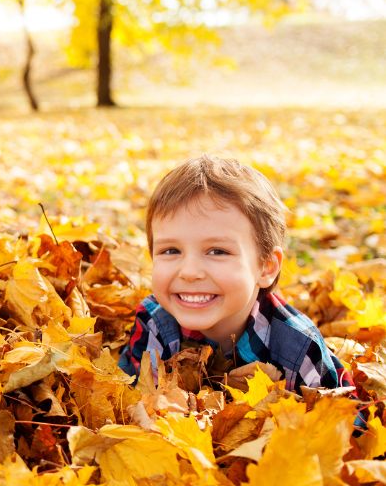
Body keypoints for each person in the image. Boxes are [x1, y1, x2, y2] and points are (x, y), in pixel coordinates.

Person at [118, 155, 353, 391]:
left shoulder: (298, 346)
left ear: (266, 266)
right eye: (171, 250)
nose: (189, 272)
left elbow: (342, 418)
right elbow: (134, 401)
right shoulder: (154, 322)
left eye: (217, 251)